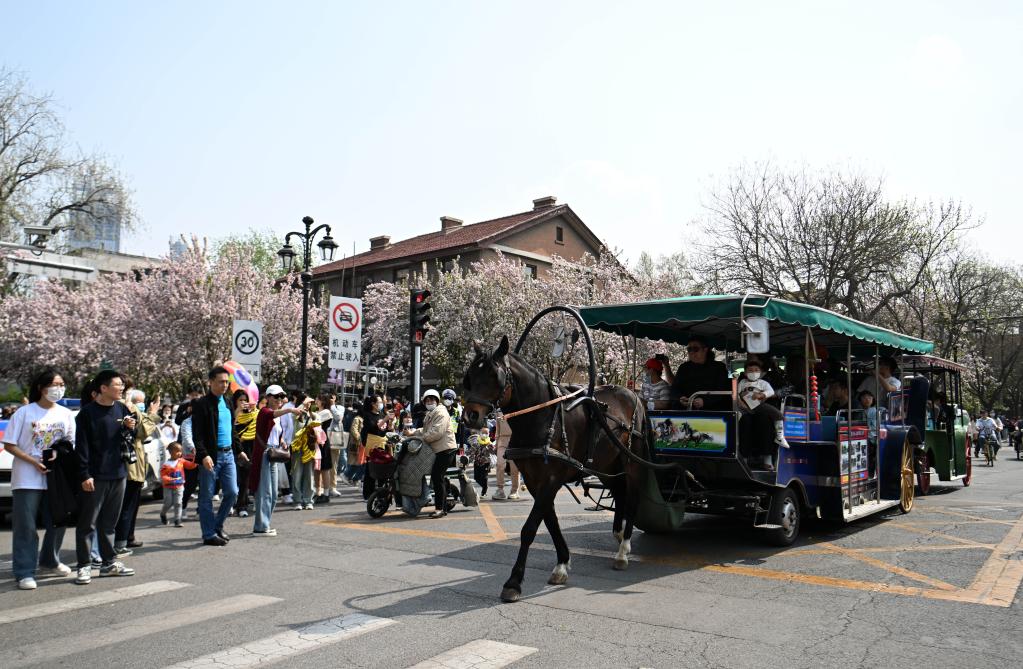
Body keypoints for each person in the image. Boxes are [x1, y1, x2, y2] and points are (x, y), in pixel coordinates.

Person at [4, 369, 76, 590]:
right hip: (27, 478)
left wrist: (58, 454)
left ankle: (49, 560)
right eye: (54, 383)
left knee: (58, 520)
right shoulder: (24, 413)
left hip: (55, 478)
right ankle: (24, 571)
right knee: (26, 525)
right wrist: (33, 461)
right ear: (41, 387)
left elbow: (70, 443)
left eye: (62, 383)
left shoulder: (65, 414)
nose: (59, 388)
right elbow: (9, 444)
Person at [74, 369, 136, 584]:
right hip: (95, 476)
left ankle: (109, 563)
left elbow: (129, 436)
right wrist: (84, 474)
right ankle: (84, 566)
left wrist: (130, 428)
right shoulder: (87, 413)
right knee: (87, 523)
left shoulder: (121, 408)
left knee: (109, 523)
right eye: (117, 385)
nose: (121, 388)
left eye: (121, 385)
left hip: (118, 473)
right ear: (103, 388)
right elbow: (81, 447)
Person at [191, 366, 246, 547]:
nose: (225, 385)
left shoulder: (228, 402)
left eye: (226, 382)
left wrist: (239, 450)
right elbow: (197, 434)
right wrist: (204, 455)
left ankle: (217, 525)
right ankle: (208, 534)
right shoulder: (201, 404)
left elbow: (232, 430)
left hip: (228, 453)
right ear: (211, 382)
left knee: (232, 492)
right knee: (206, 496)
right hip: (211, 457)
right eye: (221, 381)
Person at [249, 384, 302, 536]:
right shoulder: (265, 412)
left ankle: (264, 524)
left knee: (272, 494)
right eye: (276, 396)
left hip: (273, 453)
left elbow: (275, 431)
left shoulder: (276, 415)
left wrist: (282, 441)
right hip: (265, 454)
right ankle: (260, 527)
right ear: (268, 398)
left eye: (281, 396)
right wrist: (290, 409)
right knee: (265, 492)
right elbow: (269, 416)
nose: (280, 399)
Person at [404, 389, 457, 518]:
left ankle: (440, 509)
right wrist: (413, 433)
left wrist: (420, 438)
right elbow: (426, 429)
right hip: (438, 449)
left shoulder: (441, 413)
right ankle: (443, 504)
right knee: (438, 477)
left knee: (436, 477)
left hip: (446, 449)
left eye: (432, 400)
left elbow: (436, 433)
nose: (429, 402)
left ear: (437, 401)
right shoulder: (431, 413)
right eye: (427, 400)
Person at [115, 386, 155, 556]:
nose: (140, 405)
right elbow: (144, 430)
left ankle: (126, 538)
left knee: (132, 504)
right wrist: (151, 414)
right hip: (127, 466)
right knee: (125, 506)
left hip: (136, 466)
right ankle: (120, 542)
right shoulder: (121, 410)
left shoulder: (128, 410)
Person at [737, 359, 790, 470]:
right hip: (745, 409)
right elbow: (736, 394)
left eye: (756, 370)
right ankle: (744, 459)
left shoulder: (763, 383)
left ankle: (777, 440)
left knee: (771, 417)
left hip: (760, 407)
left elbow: (770, 392)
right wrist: (740, 402)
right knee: (743, 422)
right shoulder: (742, 383)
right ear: (745, 372)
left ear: (761, 373)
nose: (753, 372)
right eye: (750, 370)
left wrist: (762, 394)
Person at [667, 334, 732, 410]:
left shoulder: (719, 367)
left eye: (695, 349)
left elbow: (723, 390)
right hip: (687, 410)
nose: (691, 352)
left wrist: (705, 401)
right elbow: (675, 388)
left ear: (705, 349)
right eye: (689, 349)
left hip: (713, 411)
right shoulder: (683, 368)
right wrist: (680, 398)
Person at [159, 441, 197, 527]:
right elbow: (163, 476)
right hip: (168, 487)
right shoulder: (165, 465)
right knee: (168, 503)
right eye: (177, 451)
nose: (179, 453)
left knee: (178, 503)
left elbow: (191, 466)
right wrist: (171, 479)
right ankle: (163, 513)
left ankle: (177, 520)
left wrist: (195, 458)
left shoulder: (181, 461)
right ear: (170, 452)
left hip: (179, 486)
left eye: (180, 451)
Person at [233, 390, 257, 517]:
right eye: (240, 400)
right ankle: (233, 503)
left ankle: (242, 505)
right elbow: (231, 426)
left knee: (245, 477)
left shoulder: (252, 413)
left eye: (245, 400)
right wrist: (237, 410)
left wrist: (254, 409)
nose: (243, 403)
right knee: (234, 479)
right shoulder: (232, 412)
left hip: (249, 448)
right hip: (235, 448)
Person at [360, 394, 389, 501]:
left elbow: (384, 430)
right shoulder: (367, 415)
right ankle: (368, 493)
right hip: (372, 444)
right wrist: (385, 420)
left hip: (382, 443)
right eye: (380, 402)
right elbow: (372, 428)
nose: (381, 404)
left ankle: (381, 492)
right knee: (371, 469)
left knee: (383, 468)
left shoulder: (381, 414)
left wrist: (390, 424)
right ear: (373, 404)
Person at [313, 394, 337, 504]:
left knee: (324, 469)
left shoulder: (326, 412)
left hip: (323, 443)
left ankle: (326, 494)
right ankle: (318, 492)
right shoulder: (317, 412)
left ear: (322, 401)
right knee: (317, 469)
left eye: (317, 399)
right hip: (315, 443)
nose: (315, 400)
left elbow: (315, 423)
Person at [492, 409, 520, 500]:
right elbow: (498, 428)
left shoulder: (516, 407)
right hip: (502, 440)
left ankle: (514, 491)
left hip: (514, 440)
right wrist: (496, 443)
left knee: (514, 468)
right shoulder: (499, 411)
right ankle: (500, 490)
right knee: (500, 465)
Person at [467, 428, 494, 498]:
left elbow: (493, 452)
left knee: (484, 477)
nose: (484, 434)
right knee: (476, 478)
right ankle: (484, 486)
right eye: (483, 433)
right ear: (480, 433)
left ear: (489, 434)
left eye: (486, 433)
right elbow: (471, 452)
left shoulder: (489, 443)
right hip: (477, 462)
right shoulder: (476, 443)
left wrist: (491, 447)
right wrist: (468, 461)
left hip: (486, 462)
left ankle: (484, 491)